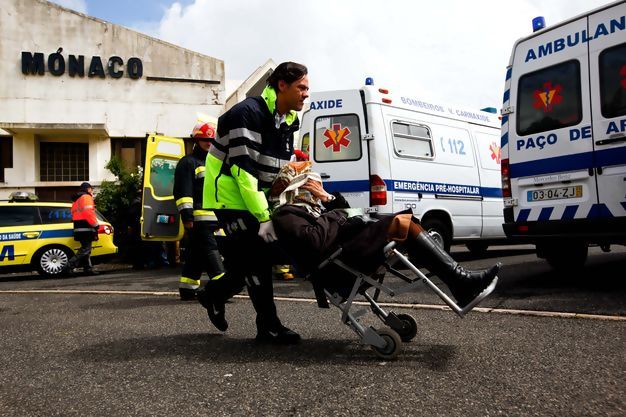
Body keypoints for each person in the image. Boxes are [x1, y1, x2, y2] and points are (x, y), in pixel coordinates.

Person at [269, 161, 501, 309]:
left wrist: (329, 199)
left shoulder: (315, 209)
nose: (316, 189)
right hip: (337, 265)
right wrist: (336, 212)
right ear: (297, 188)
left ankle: (460, 281)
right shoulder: (286, 213)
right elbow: (315, 241)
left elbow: (349, 215)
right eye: (311, 185)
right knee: (404, 224)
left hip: (346, 253)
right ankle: (461, 282)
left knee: (407, 223)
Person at [198, 61, 309, 344]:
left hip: (256, 197)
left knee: (244, 266)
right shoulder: (245, 113)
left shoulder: (289, 121)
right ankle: (268, 326)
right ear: (281, 85)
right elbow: (242, 172)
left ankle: (212, 294)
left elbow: (274, 170)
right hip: (231, 198)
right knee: (257, 259)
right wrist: (264, 217)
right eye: (302, 87)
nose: (306, 94)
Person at [173, 118, 225, 301]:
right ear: (196, 140)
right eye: (205, 140)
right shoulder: (188, 163)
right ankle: (222, 287)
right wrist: (187, 216)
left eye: (212, 141)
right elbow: (183, 192)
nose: (209, 144)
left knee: (196, 253)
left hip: (215, 218)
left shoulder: (215, 164)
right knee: (211, 251)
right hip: (199, 219)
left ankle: (187, 288)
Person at [66, 182, 100, 276]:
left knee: (86, 249)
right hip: (86, 227)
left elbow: (74, 214)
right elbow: (89, 213)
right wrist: (96, 225)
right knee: (86, 249)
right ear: (88, 189)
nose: (92, 191)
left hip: (78, 227)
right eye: (91, 189)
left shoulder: (76, 200)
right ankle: (69, 265)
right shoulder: (86, 197)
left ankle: (88, 268)